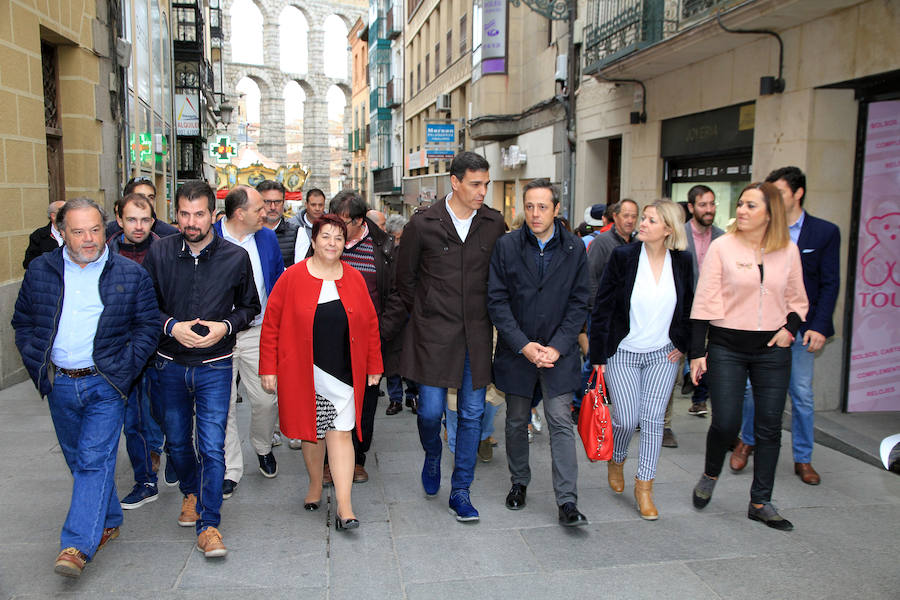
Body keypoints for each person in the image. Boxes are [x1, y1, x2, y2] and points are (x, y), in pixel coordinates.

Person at [12, 197, 159, 577]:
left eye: (95, 229)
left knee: (94, 460)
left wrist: (124, 371)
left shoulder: (129, 274)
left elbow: (146, 328)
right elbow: (23, 321)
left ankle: (76, 544)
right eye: (78, 231)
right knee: (80, 461)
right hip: (60, 383)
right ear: (61, 233)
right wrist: (37, 364)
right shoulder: (41, 271)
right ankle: (108, 517)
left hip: (106, 384)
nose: (89, 238)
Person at [381, 151, 506, 522]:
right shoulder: (424, 224)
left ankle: (461, 490)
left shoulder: (494, 224)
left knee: (471, 413)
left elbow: (502, 282)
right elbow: (405, 286)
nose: (483, 191)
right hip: (432, 336)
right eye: (475, 184)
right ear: (455, 182)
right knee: (431, 413)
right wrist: (386, 333)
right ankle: (433, 453)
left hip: (477, 337)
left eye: (486, 184)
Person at [142, 180, 261, 558]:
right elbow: (144, 306)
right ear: (175, 214)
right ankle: (191, 491)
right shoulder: (158, 254)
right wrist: (170, 326)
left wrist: (224, 327)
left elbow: (249, 308)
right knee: (177, 442)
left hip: (215, 366)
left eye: (199, 214)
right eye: (184, 214)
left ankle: (209, 524)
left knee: (211, 445)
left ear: (214, 215)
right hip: (170, 365)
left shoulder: (235, 257)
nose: (191, 222)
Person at [689, 182, 808, 531]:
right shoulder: (722, 247)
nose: (741, 210)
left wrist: (790, 329)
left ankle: (761, 501)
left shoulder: (788, 249)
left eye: (751, 206)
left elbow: (797, 299)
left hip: (772, 350)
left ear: (770, 214)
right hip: (727, 347)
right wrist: (699, 351)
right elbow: (704, 300)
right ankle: (711, 473)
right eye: (740, 204)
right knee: (726, 421)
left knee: (769, 427)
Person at [259, 214, 383, 530]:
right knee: (313, 433)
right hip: (304, 370)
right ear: (314, 241)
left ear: (345, 244)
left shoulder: (354, 278)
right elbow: (271, 323)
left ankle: (345, 506)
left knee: (341, 433)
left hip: (344, 371)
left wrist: (374, 365)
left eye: (338, 238)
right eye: (325, 236)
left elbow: (370, 324)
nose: (332, 243)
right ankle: (315, 484)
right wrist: (268, 367)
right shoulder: (292, 277)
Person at [488, 178, 591, 526]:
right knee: (516, 421)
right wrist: (523, 344)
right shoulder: (506, 246)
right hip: (518, 352)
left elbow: (580, 303)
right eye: (529, 206)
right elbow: (497, 301)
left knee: (561, 421)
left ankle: (567, 501)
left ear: (557, 209)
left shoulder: (575, 249)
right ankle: (519, 482)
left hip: (557, 354)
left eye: (542, 206)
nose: (535, 214)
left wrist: (559, 347)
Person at [731, 167, 841, 485]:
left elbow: (830, 283)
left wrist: (819, 327)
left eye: (778, 193)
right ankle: (747, 441)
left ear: (797, 193)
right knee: (753, 391)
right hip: (763, 326)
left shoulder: (824, 233)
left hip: (803, 328)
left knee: (802, 394)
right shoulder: (759, 231)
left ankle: (803, 458)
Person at [590, 200, 694, 520]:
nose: (642, 224)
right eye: (643, 218)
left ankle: (644, 486)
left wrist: (685, 343)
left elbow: (691, 306)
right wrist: (597, 355)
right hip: (623, 352)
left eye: (651, 220)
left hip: (663, 355)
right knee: (625, 418)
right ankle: (617, 458)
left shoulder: (684, 261)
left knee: (651, 420)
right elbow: (603, 306)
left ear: (668, 229)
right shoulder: (623, 257)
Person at [216, 185, 285, 498]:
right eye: (259, 208)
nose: (267, 212)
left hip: (258, 331)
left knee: (266, 399)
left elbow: (277, 280)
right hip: (218, 336)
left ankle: (262, 445)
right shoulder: (212, 237)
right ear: (239, 213)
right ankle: (230, 469)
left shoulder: (267, 238)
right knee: (223, 405)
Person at [328, 191, 394, 483]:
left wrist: (382, 331)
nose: (336, 230)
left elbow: (397, 295)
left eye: (342, 223)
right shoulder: (326, 244)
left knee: (365, 401)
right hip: (329, 341)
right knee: (329, 399)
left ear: (359, 220)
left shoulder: (384, 247)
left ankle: (357, 456)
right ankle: (332, 460)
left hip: (368, 340)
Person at [107, 193, 166, 509]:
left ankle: (162, 447)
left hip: (161, 346)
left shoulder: (165, 250)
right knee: (135, 418)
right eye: (131, 219)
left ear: (152, 221)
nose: (138, 226)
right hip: (121, 350)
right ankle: (145, 479)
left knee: (162, 411)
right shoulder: (104, 253)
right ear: (119, 220)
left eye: (144, 220)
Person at [682, 185, 724, 418]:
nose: (709, 209)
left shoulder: (723, 238)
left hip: (712, 312)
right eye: (702, 205)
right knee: (674, 364)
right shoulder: (678, 236)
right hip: (682, 312)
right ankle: (664, 425)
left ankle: (700, 399)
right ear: (691, 207)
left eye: (712, 204)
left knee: (709, 359)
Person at [383, 214, 418, 415]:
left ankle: (412, 396)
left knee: (410, 357)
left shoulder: (411, 252)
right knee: (392, 359)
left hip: (410, 314)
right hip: (392, 313)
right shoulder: (385, 253)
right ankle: (395, 398)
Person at [587, 199, 639, 304]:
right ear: (615, 217)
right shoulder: (600, 243)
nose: (630, 220)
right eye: (626, 216)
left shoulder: (639, 244)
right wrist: (596, 307)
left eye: (634, 217)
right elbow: (590, 277)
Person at [105, 176, 179, 239]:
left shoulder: (170, 234)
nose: (146, 201)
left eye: (151, 197)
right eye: (140, 196)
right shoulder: (109, 232)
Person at [258, 179, 302, 267]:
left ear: (283, 202)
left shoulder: (298, 233)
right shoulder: (249, 232)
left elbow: (300, 271)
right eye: (267, 202)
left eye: (277, 202)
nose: (273, 207)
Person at [23, 199, 66, 269]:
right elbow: (29, 263)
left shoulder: (77, 233)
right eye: (65, 212)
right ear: (53, 216)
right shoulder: (39, 235)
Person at [290, 187, 327, 259]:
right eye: (313, 205)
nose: (317, 208)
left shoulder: (331, 224)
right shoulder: (293, 224)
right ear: (306, 205)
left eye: (320, 205)